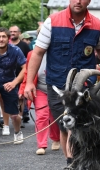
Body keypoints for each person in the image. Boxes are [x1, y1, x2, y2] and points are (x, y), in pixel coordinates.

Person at [23, 0, 100, 168]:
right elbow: (38, 53)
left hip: (85, 86)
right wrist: (29, 83)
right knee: (66, 126)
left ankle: (75, 161)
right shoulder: (53, 21)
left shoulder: (96, 24)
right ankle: (71, 161)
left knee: (81, 124)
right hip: (58, 85)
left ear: (89, 0)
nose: (78, 1)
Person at [19, 27, 60, 155]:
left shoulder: (59, 52)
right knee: (42, 116)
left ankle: (56, 138)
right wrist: (23, 89)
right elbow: (27, 73)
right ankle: (41, 145)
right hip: (40, 89)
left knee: (55, 116)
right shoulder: (32, 53)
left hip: (56, 89)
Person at [0, 27, 26, 144]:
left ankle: (17, 133)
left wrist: (15, 82)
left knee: (14, 116)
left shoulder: (15, 50)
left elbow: (25, 68)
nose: (1, 39)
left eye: (3, 37)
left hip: (9, 83)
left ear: (8, 39)